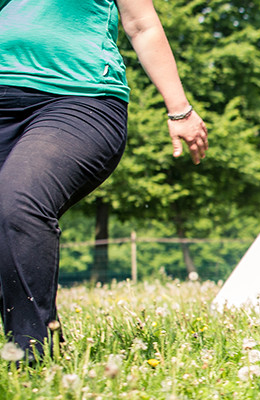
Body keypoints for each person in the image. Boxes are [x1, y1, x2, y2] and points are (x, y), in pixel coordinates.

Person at [0, 0, 208, 361]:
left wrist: (180, 109)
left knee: (17, 202)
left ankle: (32, 359)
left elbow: (142, 24)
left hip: (79, 99)